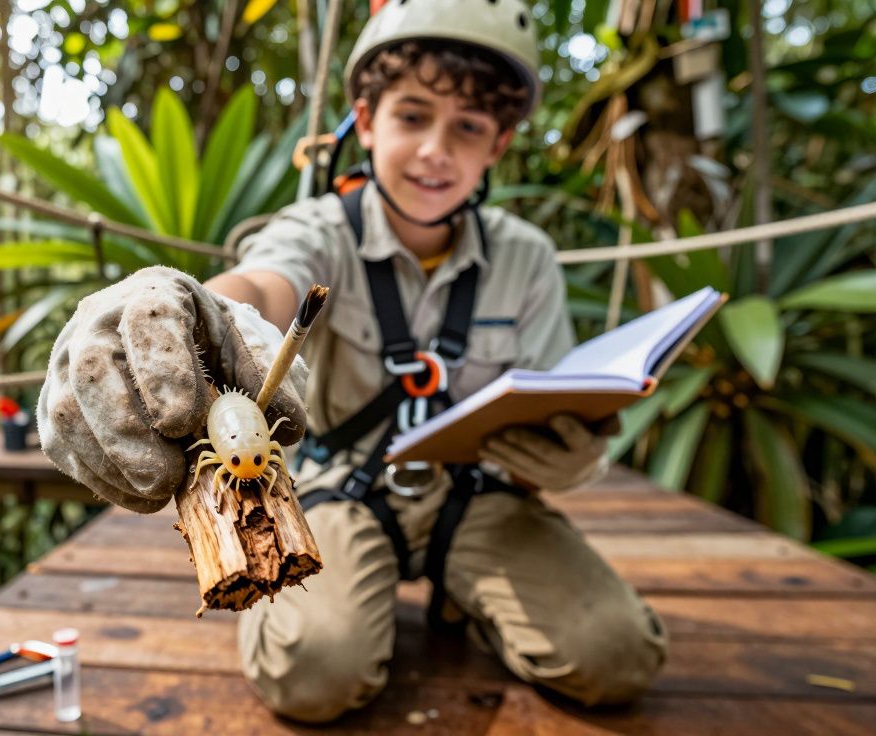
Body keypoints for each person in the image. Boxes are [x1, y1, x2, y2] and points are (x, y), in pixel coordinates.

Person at [37, 0, 667, 723]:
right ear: (365, 122)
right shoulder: (315, 231)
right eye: (412, 115)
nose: (436, 148)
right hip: (345, 491)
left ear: (498, 146)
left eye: (467, 127)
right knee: (312, 673)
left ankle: (469, 591)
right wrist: (173, 307)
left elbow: (557, 396)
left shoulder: (528, 259)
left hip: (480, 499)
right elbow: (259, 288)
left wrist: (569, 460)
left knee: (618, 656)